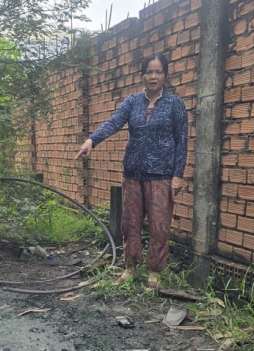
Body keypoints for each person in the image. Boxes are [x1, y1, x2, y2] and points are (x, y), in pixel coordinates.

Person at [75, 53, 188, 291]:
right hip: (133, 173)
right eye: (149, 72)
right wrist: (91, 140)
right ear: (142, 75)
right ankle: (130, 267)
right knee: (130, 224)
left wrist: (178, 175)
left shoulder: (174, 103)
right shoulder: (132, 101)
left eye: (158, 72)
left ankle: (154, 272)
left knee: (159, 226)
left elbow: (182, 141)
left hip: (162, 175)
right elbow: (114, 122)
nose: (154, 76)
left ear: (165, 75)